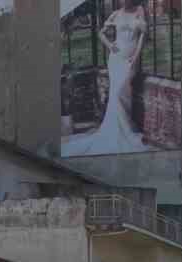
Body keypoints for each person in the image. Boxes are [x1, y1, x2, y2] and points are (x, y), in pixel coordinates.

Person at [64, 0, 148, 156]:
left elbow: (143, 36)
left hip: (130, 60)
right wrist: (110, 46)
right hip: (115, 59)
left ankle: (125, 129)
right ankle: (115, 131)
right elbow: (100, 33)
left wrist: (135, 58)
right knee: (116, 95)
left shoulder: (140, 10)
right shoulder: (116, 14)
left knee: (123, 94)